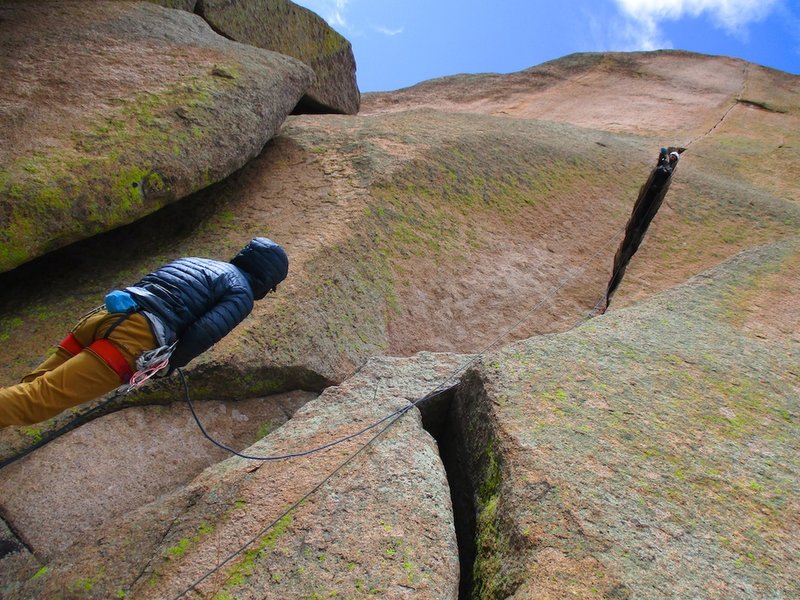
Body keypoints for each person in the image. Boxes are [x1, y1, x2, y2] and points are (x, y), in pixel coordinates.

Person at [0, 238, 289, 428]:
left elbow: (147, 281)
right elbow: (204, 332)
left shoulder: (196, 261)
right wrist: (168, 365)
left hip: (106, 315)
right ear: (265, 279)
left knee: (31, 386)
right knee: (35, 401)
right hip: (132, 341)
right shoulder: (240, 294)